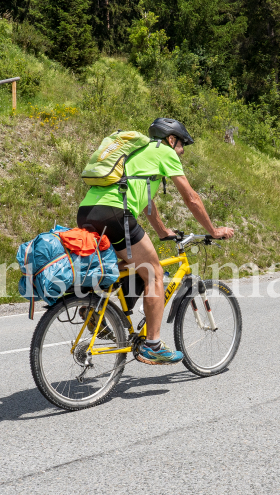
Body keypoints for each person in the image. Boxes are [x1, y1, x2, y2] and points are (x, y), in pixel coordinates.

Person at [77, 118, 235, 365]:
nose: (182, 152)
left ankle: (96, 307)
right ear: (172, 140)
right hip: (116, 212)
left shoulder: (139, 155)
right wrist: (213, 230)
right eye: (182, 145)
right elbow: (192, 198)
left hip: (87, 211)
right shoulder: (164, 152)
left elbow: (148, 205)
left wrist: (162, 232)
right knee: (154, 274)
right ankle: (153, 345)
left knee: (132, 268)